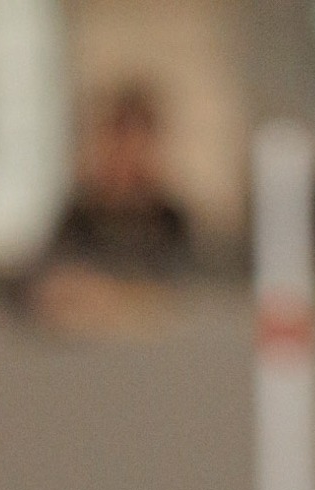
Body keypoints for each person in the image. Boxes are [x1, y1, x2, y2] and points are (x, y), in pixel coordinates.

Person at [30, 84, 193, 332]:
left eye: (136, 143)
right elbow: (45, 280)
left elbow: (185, 291)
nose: (126, 156)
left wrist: (116, 296)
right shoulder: (79, 216)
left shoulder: (169, 220)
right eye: (118, 140)